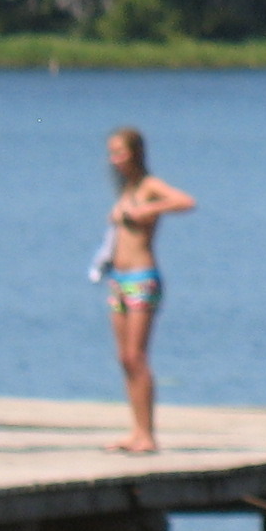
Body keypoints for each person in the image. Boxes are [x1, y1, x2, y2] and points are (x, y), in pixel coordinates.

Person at [99, 127, 194, 454]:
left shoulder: (149, 186)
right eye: (112, 153)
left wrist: (148, 210)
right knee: (124, 357)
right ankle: (135, 431)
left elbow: (185, 201)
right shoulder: (124, 189)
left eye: (120, 152)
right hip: (119, 280)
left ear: (136, 153)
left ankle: (148, 434)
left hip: (142, 277)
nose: (115, 159)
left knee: (137, 356)